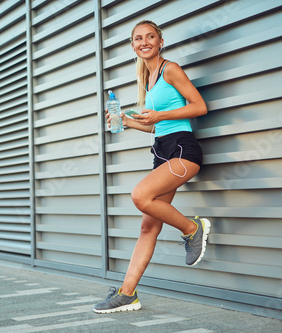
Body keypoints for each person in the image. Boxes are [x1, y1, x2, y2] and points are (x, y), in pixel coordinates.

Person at [93, 20, 210, 314]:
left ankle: (192, 228)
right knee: (147, 226)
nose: (144, 42)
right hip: (162, 151)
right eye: (137, 39)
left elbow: (199, 107)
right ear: (133, 46)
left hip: (183, 150)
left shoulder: (170, 69)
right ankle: (127, 294)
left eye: (150, 37)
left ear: (160, 42)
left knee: (140, 196)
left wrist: (159, 116)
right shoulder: (146, 77)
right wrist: (131, 122)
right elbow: (156, 126)